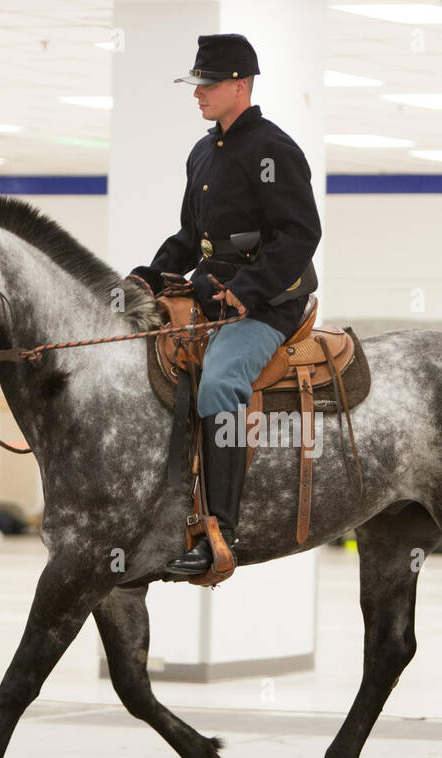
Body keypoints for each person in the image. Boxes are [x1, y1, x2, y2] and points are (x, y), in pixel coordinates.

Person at [128, 33, 322, 576]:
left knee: (220, 382)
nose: (198, 94)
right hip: (213, 300)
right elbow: (192, 236)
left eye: (207, 85)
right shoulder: (202, 152)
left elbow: (300, 233)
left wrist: (250, 289)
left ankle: (220, 528)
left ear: (241, 85)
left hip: (269, 304)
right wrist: (146, 275)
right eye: (196, 85)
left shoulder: (274, 150)